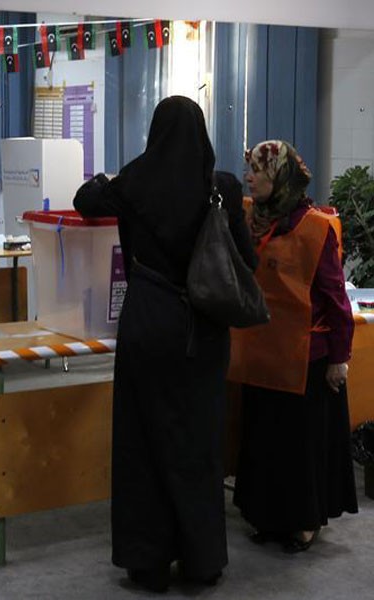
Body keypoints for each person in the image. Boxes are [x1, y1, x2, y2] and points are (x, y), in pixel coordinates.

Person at [72, 96, 256, 592]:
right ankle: (201, 562)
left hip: (148, 323)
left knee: (143, 443)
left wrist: (108, 179)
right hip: (204, 332)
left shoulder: (134, 183)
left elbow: (83, 200)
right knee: (198, 445)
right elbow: (248, 264)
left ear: (155, 134)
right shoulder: (221, 188)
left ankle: (147, 562)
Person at [231, 140, 357, 553]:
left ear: (280, 177)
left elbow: (336, 298)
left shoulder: (316, 228)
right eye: (249, 169)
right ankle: (267, 516)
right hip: (260, 355)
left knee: (298, 447)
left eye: (259, 172)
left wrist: (339, 358)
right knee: (264, 442)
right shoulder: (252, 219)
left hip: (305, 359)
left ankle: (304, 522)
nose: (250, 177)